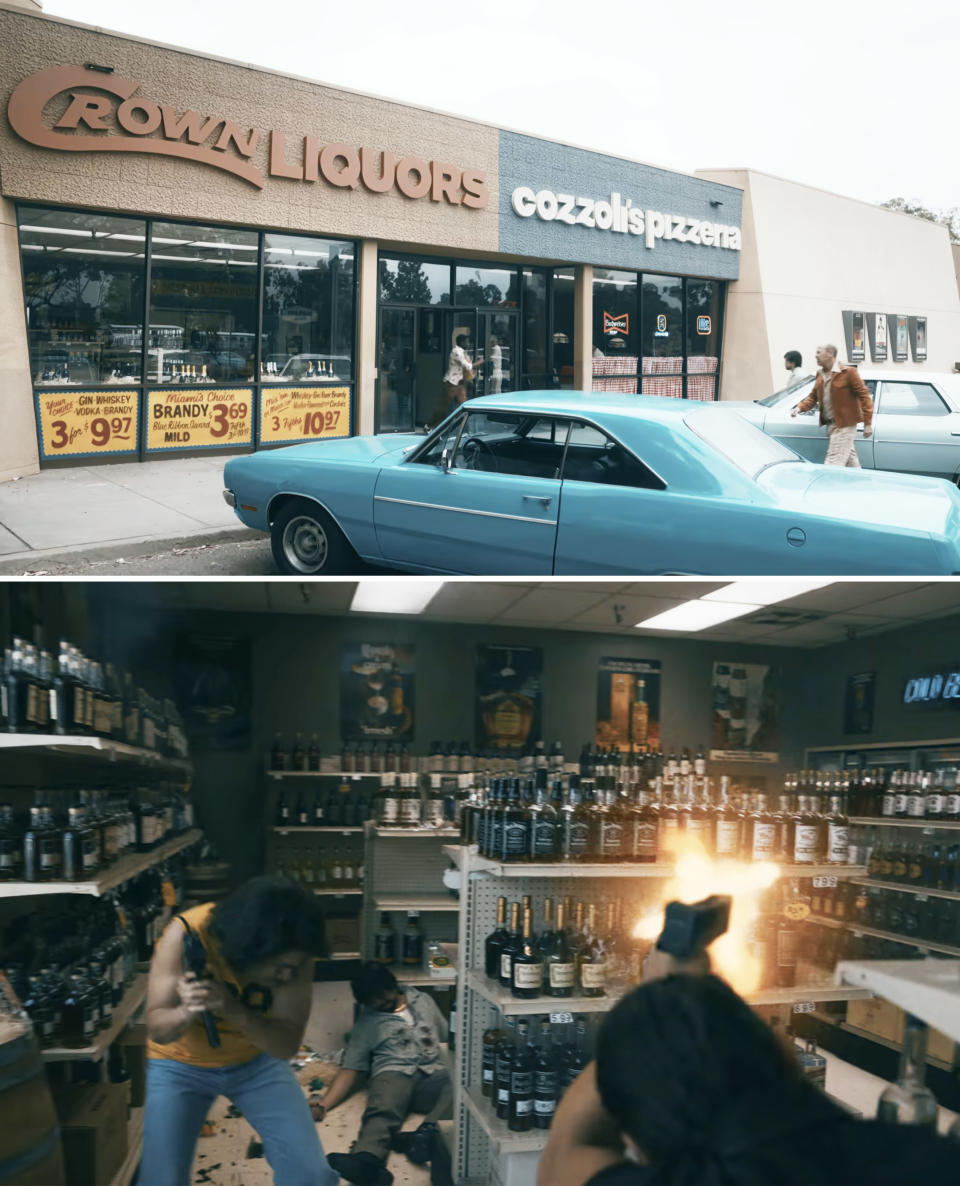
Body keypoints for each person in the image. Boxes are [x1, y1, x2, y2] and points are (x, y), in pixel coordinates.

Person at [539, 963, 960, 1186]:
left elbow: (568, 1149)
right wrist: (688, 1006)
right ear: (785, 1050)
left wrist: (655, 1016)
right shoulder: (933, 1163)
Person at [143, 876, 337, 1186]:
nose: (288, 974)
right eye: (281, 965)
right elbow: (157, 1029)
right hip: (180, 1065)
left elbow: (284, 1046)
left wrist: (233, 1009)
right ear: (252, 950)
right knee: (160, 1180)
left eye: (295, 965)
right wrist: (186, 1011)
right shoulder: (187, 934)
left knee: (311, 1175)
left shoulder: (296, 954)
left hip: (256, 1063)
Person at [319, 963, 453, 1186]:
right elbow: (351, 1069)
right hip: (394, 1072)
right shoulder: (367, 1022)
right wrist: (323, 1105)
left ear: (393, 986)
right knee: (383, 1109)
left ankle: (423, 1135)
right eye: (372, 1003)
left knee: (461, 1085)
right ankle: (367, 1161)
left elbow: (447, 1034)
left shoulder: (423, 1001)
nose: (378, 1005)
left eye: (382, 998)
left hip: (431, 1073)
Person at [791, 343, 873, 467]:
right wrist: (799, 407)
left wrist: (867, 423)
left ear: (830, 354)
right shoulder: (820, 374)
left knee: (833, 463)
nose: (815, 356)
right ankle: (859, 485)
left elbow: (864, 396)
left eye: (819, 352)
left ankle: (828, 485)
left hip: (844, 426)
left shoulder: (848, 372)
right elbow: (813, 397)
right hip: (831, 426)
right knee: (852, 464)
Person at [442, 332, 474, 410]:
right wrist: (475, 362)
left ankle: (460, 420)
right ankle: (436, 421)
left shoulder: (462, 352)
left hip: (458, 382)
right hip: (452, 383)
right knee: (445, 405)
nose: (468, 344)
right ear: (462, 342)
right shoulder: (457, 351)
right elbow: (467, 366)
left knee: (462, 404)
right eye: (467, 342)